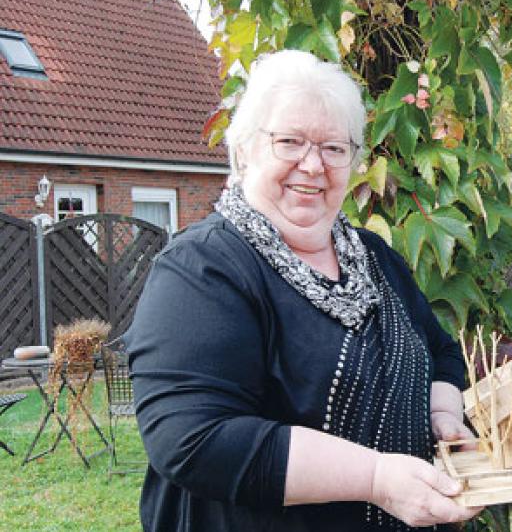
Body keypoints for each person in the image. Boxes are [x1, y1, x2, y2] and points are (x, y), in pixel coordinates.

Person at [125, 49, 481, 531]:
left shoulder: (375, 257)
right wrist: (375, 477)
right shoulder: (201, 269)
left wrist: (443, 416)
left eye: (335, 148)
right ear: (246, 148)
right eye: (290, 142)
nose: (314, 165)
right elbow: (194, 439)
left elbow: (439, 353)